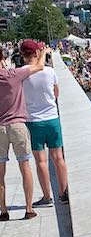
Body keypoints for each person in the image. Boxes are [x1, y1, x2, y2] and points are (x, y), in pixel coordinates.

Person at [0, 41, 49, 220]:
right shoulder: (13, 74)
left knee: (0, 172)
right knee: (25, 166)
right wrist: (43, 52)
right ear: (2, 59)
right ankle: (28, 209)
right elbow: (39, 66)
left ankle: (3, 211)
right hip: (18, 125)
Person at [20, 40, 69, 205]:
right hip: (52, 119)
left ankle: (47, 196)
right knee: (58, 158)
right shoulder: (50, 71)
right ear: (37, 53)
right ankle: (63, 194)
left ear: (23, 55)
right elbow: (56, 93)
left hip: (33, 122)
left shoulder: (20, 73)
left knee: (41, 161)